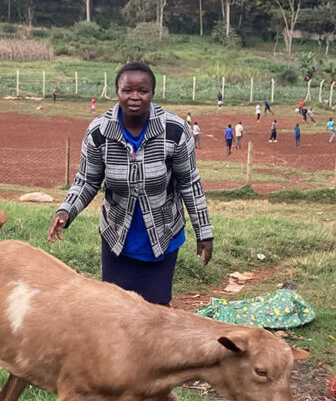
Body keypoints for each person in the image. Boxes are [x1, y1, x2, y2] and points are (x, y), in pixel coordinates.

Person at [47, 61, 213, 306]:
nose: (135, 97)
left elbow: (189, 183)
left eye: (142, 91)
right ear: (117, 93)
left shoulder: (174, 130)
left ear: (152, 94)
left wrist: (204, 232)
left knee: (157, 311)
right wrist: (66, 210)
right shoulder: (99, 132)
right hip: (117, 236)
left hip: (163, 233)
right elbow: (87, 180)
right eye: (127, 90)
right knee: (115, 310)